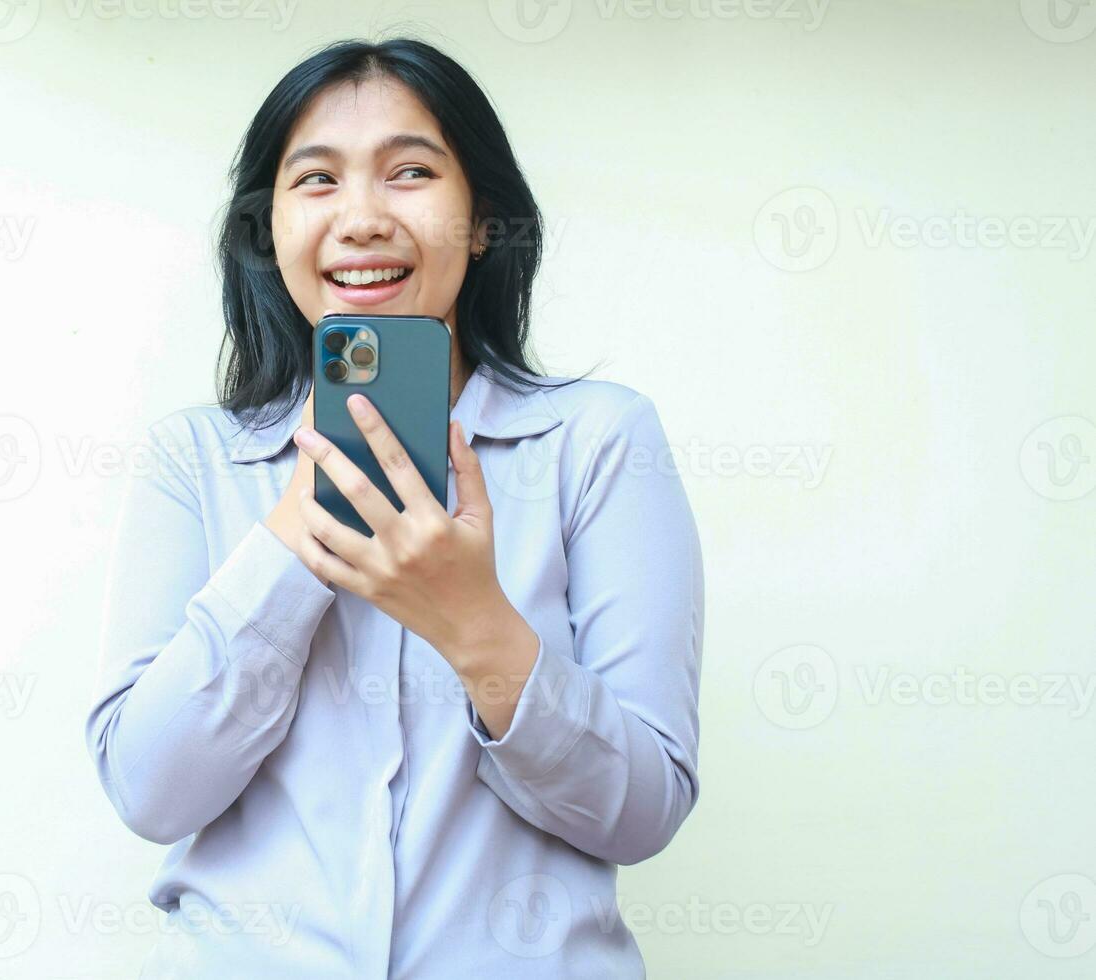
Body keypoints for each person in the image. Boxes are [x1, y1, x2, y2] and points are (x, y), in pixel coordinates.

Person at [86, 36, 704, 978]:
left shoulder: (599, 443)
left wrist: (475, 624)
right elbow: (150, 792)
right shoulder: (195, 459)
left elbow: (642, 811)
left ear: (484, 219)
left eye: (410, 172)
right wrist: (296, 535)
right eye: (317, 181)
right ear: (269, 229)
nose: (363, 218)